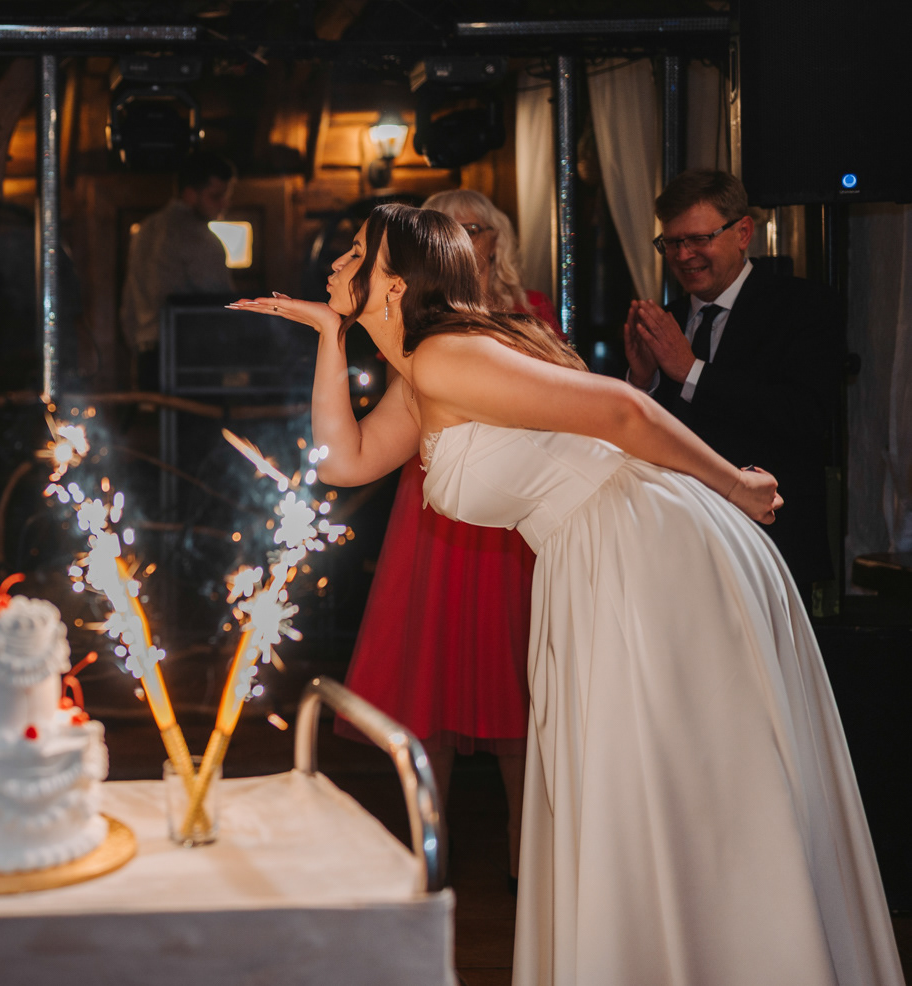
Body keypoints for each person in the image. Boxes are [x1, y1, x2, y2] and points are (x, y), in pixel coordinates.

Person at [231, 205, 899, 986]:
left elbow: (621, 409)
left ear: (395, 282)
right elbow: (341, 461)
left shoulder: (445, 357)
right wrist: (328, 335)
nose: (338, 262)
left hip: (639, 545)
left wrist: (736, 486)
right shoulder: (418, 374)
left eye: (355, 252)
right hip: (584, 555)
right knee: (631, 778)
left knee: (674, 772)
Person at [338, 188, 555, 884]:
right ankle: (427, 839)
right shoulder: (414, 321)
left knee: (511, 669)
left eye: (474, 227)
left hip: (506, 515)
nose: (463, 236)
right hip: (432, 505)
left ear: (496, 239)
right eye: (448, 227)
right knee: (426, 669)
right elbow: (380, 428)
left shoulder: (531, 314)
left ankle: (526, 843)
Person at [624, 169, 843, 603]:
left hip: (769, 543)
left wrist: (691, 371)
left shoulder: (804, 306)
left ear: (743, 233)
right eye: (671, 242)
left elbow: (806, 417)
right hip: (673, 544)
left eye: (698, 239)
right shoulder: (666, 319)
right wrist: (642, 381)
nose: (683, 255)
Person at [120, 153, 236, 390]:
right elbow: (222, 302)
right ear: (190, 194)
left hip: (146, 355)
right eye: (216, 196)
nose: (224, 204)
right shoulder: (200, 237)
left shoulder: (145, 230)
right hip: (190, 359)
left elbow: (129, 304)